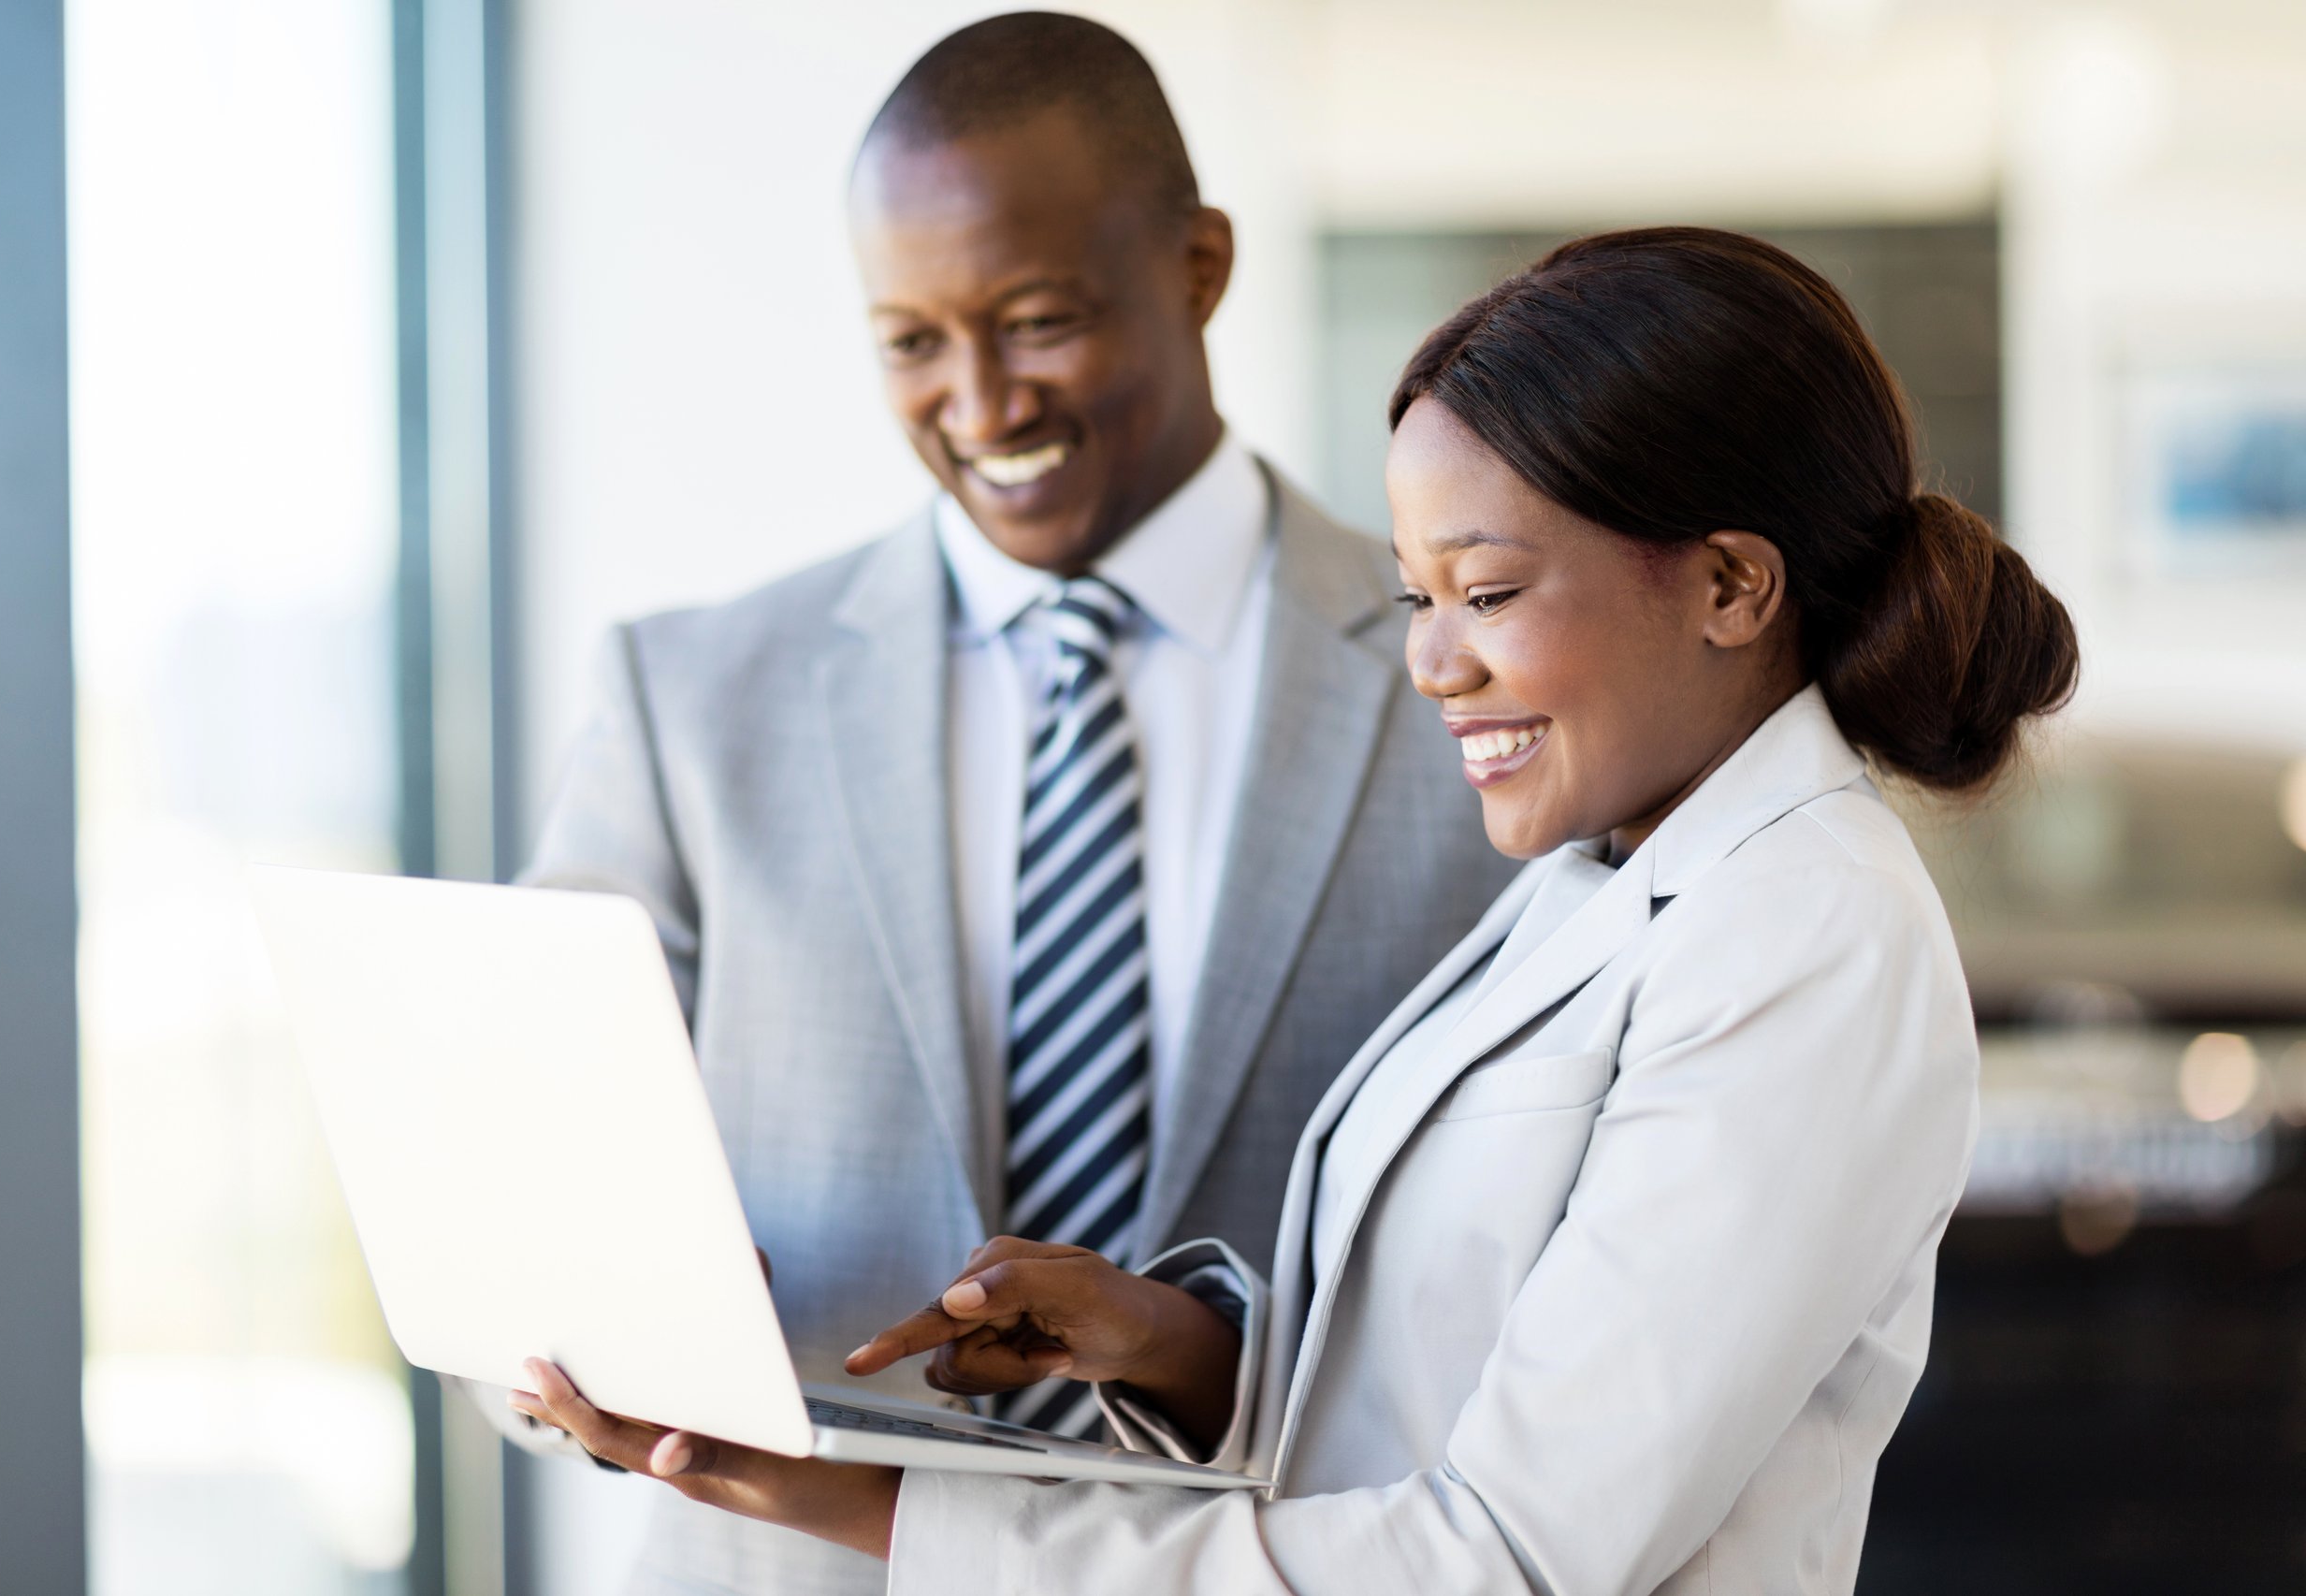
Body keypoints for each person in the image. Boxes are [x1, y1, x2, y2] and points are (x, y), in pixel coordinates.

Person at [514, 226, 2081, 1594]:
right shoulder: (1601, 878)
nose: (1431, 664)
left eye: (1487, 591)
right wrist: (1175, 1348)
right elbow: (1450, 1392)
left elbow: (1500, 1554)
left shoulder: (1808, 933)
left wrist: (883, 1507)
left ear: (1734, 585)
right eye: (1415, 596)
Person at [481, 13, 1512, 1595]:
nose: (980, 403)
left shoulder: (1475, 681)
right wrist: (580, 1320)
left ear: (1199, 268)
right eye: (911, 342)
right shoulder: (689, 698)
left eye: (1038, 322)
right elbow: (517, 1183)